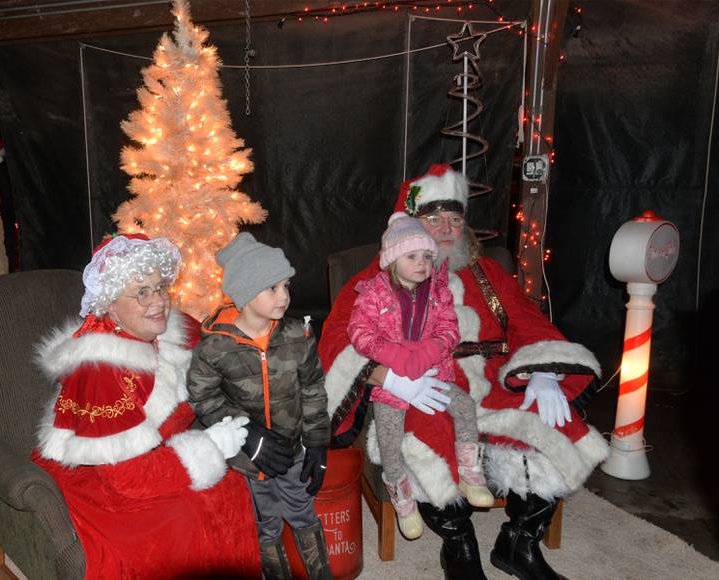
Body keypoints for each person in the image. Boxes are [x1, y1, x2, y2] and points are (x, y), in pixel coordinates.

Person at [319, 165, 609, 580]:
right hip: (424, 383)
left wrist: (543, 372)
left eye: (454, 219)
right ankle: (459, 544)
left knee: (559, 424)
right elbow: (337, 340)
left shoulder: (489, 274)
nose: (445, 228)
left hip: (493, 382)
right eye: (433, 218)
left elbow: (528, 321)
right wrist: (387, 376)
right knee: (425, 436)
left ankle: (519, 543)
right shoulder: (378, 280)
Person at [32, 233, 260, 578]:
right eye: (141, 292)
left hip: (148, 458)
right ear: (109, 304)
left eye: (159, 288)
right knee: (183, 517)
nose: (157, 302)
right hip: (97, 473)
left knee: (230, 488)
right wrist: (209, 446)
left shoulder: (173, 332)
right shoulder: (99, 370)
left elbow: (226, 359)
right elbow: (125, 479)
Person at [187, 232, 333, 580]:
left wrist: (316, 441)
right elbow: (203, 398)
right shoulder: (214, 348)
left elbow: (312, 388)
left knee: (303, 512)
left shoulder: (299, 336)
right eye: (273, 288)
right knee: (264, 524)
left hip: (292, 449)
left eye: (286, 286)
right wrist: (245, 433)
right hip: (247, 461)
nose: (284, 296)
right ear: (246, 293)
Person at [348, 211, 494, 540]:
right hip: (392, 385)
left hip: (434, 374)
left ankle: (471, 472)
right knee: (389, 438)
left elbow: (449, 330)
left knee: (465, 407)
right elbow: (359, 333)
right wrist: (396, 358)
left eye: (427, 256)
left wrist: (429, 353)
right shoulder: (373, 293)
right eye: (412, 256)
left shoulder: (438, 293)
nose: (422, 264)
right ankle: (400, 494)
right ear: (391, 260)